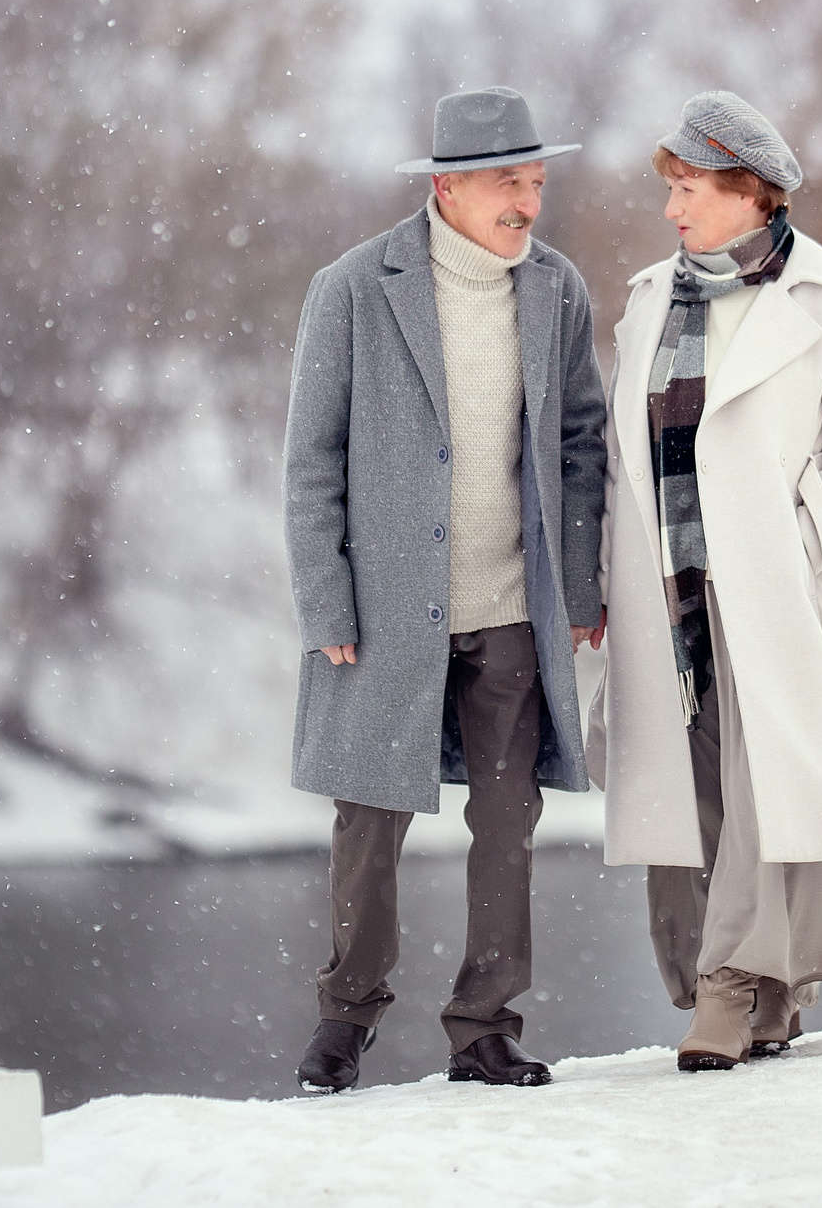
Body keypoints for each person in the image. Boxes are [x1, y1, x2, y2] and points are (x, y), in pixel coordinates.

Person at [589, 91, 822, 1070]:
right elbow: (626, 451)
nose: (672, 207)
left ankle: (724, 990)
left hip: (770, 581)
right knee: (700, 786)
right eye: (669, 188)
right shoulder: (644, 298)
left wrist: (812, 533)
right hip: (663, 580)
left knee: (764, 785)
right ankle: (772, 992)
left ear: (750, 192)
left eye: (691, 188)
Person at [282, 85, 609, 1092]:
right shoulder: (352, 286)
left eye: (537, 182)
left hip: (513, 602)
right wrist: (326, 601)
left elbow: (579, 440)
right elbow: (312, 458)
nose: (528, 202)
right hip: (385, 612)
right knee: (369, 818)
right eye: (509, 182)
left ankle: (483, 1027)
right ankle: (346, 1015)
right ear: (447, 187)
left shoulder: (555, 288)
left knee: (507, 822)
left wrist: (584, 585)